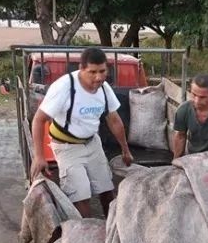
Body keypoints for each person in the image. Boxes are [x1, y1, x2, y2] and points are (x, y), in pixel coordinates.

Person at [30, 47, 133, 217]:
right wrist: (39, 156)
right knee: (81, 195)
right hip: (67, 146)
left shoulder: (104, 89)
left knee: (107, 189)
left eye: (102, 71)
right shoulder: (64, 87)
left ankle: (112, 227)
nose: (98, 77)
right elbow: (39, 120)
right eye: (92, 72)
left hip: (92, 142)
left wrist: (125, 149)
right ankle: (86, 233)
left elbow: (114, 120)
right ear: (81, 68)